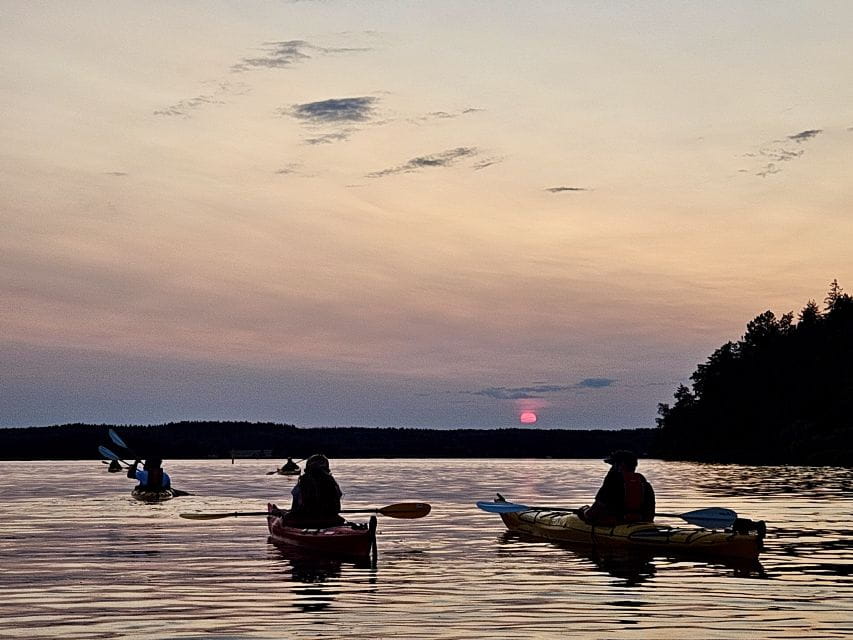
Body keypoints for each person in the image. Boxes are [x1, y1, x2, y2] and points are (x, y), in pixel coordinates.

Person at [578, 450, 655, 525]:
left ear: (621, 465)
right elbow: (650, 514)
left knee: (582, 512)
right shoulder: (645, 484)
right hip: (640, 523)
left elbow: (595, 510)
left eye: (613, 464)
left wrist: (584, 511)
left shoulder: (612, 482)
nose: (611, 468)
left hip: (615, 524)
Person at [278, 454, 344, 528]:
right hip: (330, 518)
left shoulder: (303, 481)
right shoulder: (332, 482)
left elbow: (295, 508)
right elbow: (337, 507)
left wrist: (286, 514)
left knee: (285, 517)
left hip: (305, 519)